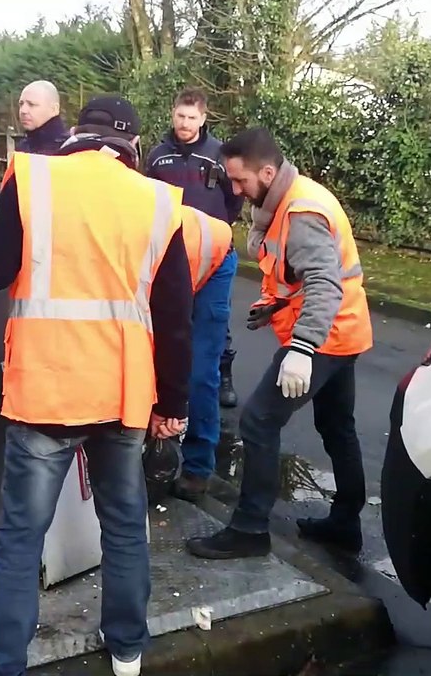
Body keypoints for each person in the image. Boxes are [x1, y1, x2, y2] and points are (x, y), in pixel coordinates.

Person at [0, 95, 194, 676]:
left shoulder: (34, 179)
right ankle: (128, 651)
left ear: (75, 135)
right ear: (133, 146)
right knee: (125, 525)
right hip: (122, 394)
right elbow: (177, 317)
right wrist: (172, 405)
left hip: (47, 391)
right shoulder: (157, 201)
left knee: (20, 536)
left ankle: (1, 665)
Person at [185, 127, 373, 561]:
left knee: (257, 422)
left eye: (240, 181)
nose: (235, 190)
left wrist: (302, 350)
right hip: (344, 330)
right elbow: (300, 275)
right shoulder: (287, 199)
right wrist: (275, 304)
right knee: (337, 427)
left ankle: (250, 529)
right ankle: (345, 524)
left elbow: (326, 284)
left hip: (326, 334)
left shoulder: (302, 212)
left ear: (267, 172)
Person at [145, 87, 243, 411]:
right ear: (173, 115)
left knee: (214, 319)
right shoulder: (157, 156)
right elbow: (148, 198)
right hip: (173, 252)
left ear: (203, 119)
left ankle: (222, 374)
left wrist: (221, 229)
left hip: (213, 253)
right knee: (173, 317)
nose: (185, 123)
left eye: (191, 118)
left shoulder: (219, 155)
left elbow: (235, 197)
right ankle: (172, 384)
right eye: (180, 116)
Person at [167, 203, 236, 502]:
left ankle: (198, 467)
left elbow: (175, 333)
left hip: (214, 260)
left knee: (199, 370)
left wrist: (168, 408)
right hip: (182, 258)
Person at [15, 80, 69, 155]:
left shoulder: (68, 149)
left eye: (31, 104)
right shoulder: (23, 147)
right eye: (21, 104)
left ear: (54, 109)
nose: (23, 111)